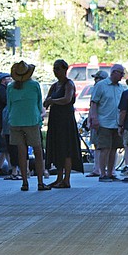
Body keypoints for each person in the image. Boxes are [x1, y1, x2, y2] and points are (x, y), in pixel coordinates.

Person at [6, 60, 49, 191]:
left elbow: (9, 105)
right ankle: (40, 182)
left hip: (15, 121)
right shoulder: (34, 85)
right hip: (31, 120)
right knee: (38, 151)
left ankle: (25, 182)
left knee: (21, 152)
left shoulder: (10, 87)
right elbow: (38, 104)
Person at [43, 59, 82, 188]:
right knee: (57, 148)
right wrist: (49, 101)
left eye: (58, 69)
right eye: (54, 68)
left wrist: (53, 101)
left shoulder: (68, 84)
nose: (56, 71)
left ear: (65, 69)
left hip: (66, 121)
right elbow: (46, 101)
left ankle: (67, 179)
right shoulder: (54, 86)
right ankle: (59, 177)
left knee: (67, 149)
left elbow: (67, 99)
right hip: (55, 120)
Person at [89, 64, 127, 181]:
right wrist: (94, 118)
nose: (122, 76)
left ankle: (111, 172)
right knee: (104, 148)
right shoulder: (101, 85)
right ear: (114, 72)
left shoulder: (121, 88)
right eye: (121, 73)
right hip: (104, 122)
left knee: (114, 148)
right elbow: (94, 102)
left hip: (117, 123)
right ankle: (102, 173)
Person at [84, 69, 109, 177]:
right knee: (96, 145)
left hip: (101, 121)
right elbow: (91, 107)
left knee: (102, 146)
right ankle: (97, 168)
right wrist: (89, 119)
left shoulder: (103, 89)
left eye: (97, 78)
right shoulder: (96, 89)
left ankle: (100, 169)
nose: (95, 80)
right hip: (96, 120)